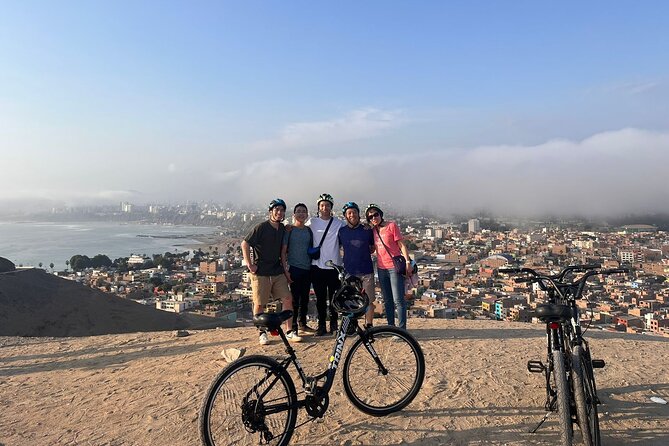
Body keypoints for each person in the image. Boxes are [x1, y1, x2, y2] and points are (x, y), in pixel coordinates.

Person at [241, 199, 302, 345]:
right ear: (270, 212)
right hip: (261, 272)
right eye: (276, 210)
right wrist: (250, 265)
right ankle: (262, 332)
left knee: (287, 298)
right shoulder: (261, 227)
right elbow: (245, 243)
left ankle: (289, 331)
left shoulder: (282, 228)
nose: (279, 212)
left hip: (277, 270)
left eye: (282, 210)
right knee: (259, 303)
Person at [365, 203, 413, 330]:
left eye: (376, 214)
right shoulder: (373, 230)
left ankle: (402, 329)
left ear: (380, 214)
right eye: (370, 217)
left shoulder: (391, 226)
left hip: (394, 267)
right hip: (381, 269)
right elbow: (372, 248)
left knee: (398, 299)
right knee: (387, 300)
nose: (374, 218)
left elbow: (401, 245)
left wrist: (408, 262)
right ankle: (391, 327)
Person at [307, 193, 344, 336]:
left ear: (331, 207)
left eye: (327, 205)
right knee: (320, 299)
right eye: (322, 205)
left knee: (334, 298)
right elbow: (299, 227)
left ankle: (334, 325)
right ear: (318, 207)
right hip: (317, 266)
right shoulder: (312, 222)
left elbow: (352, 228)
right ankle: (321, 325)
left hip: (334, 267)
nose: (325, 207)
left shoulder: (338, 223)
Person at [337, 202, 375, 328]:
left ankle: (369, 325)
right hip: (350, 272)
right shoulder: (341, 232)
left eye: (354, 212)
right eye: (349, 213)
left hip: (366, 271)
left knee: (368, 300)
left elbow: (373, 247)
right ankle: (352, 327)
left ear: (359, 214)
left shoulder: (367, 230)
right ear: (345, 216)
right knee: (350, 301)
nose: (352, 215)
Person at [281, 203, 316, 335]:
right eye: (298, 211)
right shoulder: (289, 230)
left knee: (304, 299)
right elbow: (283, 251)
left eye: (304, 211)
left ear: (307, 215)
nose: (301, 214)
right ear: (294, 214)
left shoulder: (308, 231)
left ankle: (303, 324)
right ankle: (293, 327)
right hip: (293, 268)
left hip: (307, 268)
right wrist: (286, 270)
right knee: (294, 299)